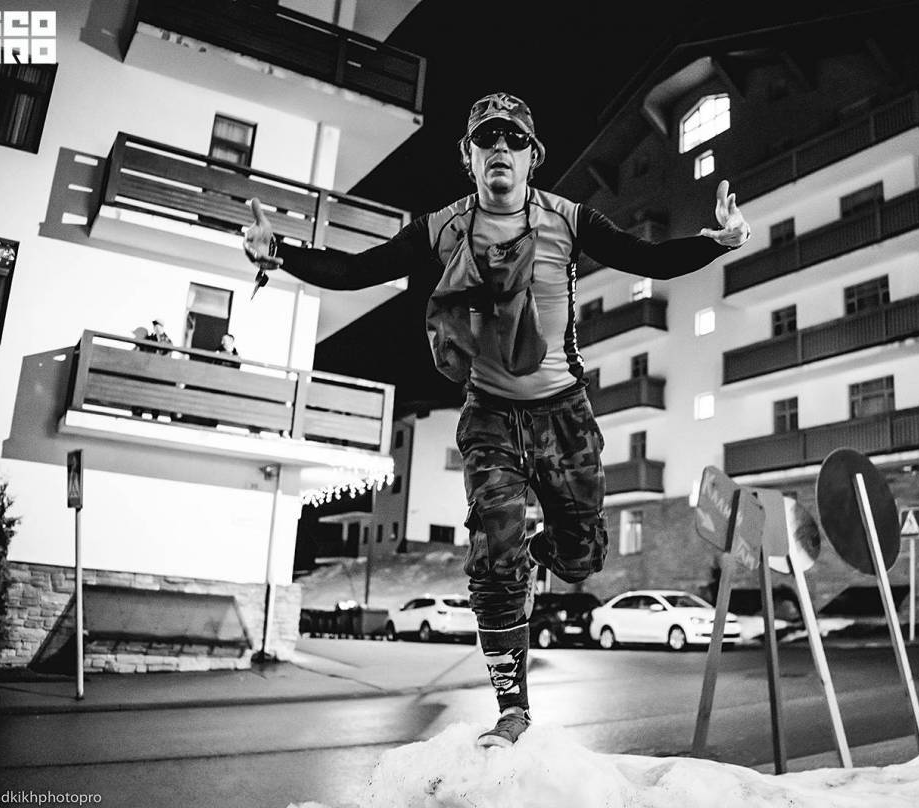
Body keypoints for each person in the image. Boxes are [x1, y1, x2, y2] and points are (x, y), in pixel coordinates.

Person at [242, 91, 751, 748]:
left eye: (514, 139)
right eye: (487, 139)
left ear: (533, 156)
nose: (501, 149)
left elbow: (647, 258)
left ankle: (532, 555)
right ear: (469, 156)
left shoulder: (569, 218)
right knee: (492, 560)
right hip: (489, 416)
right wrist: (280, 252)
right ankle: (512, 708)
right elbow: (361, 269)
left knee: (582, 558)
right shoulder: (445, 226)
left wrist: (717, 242)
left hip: (563, 414)